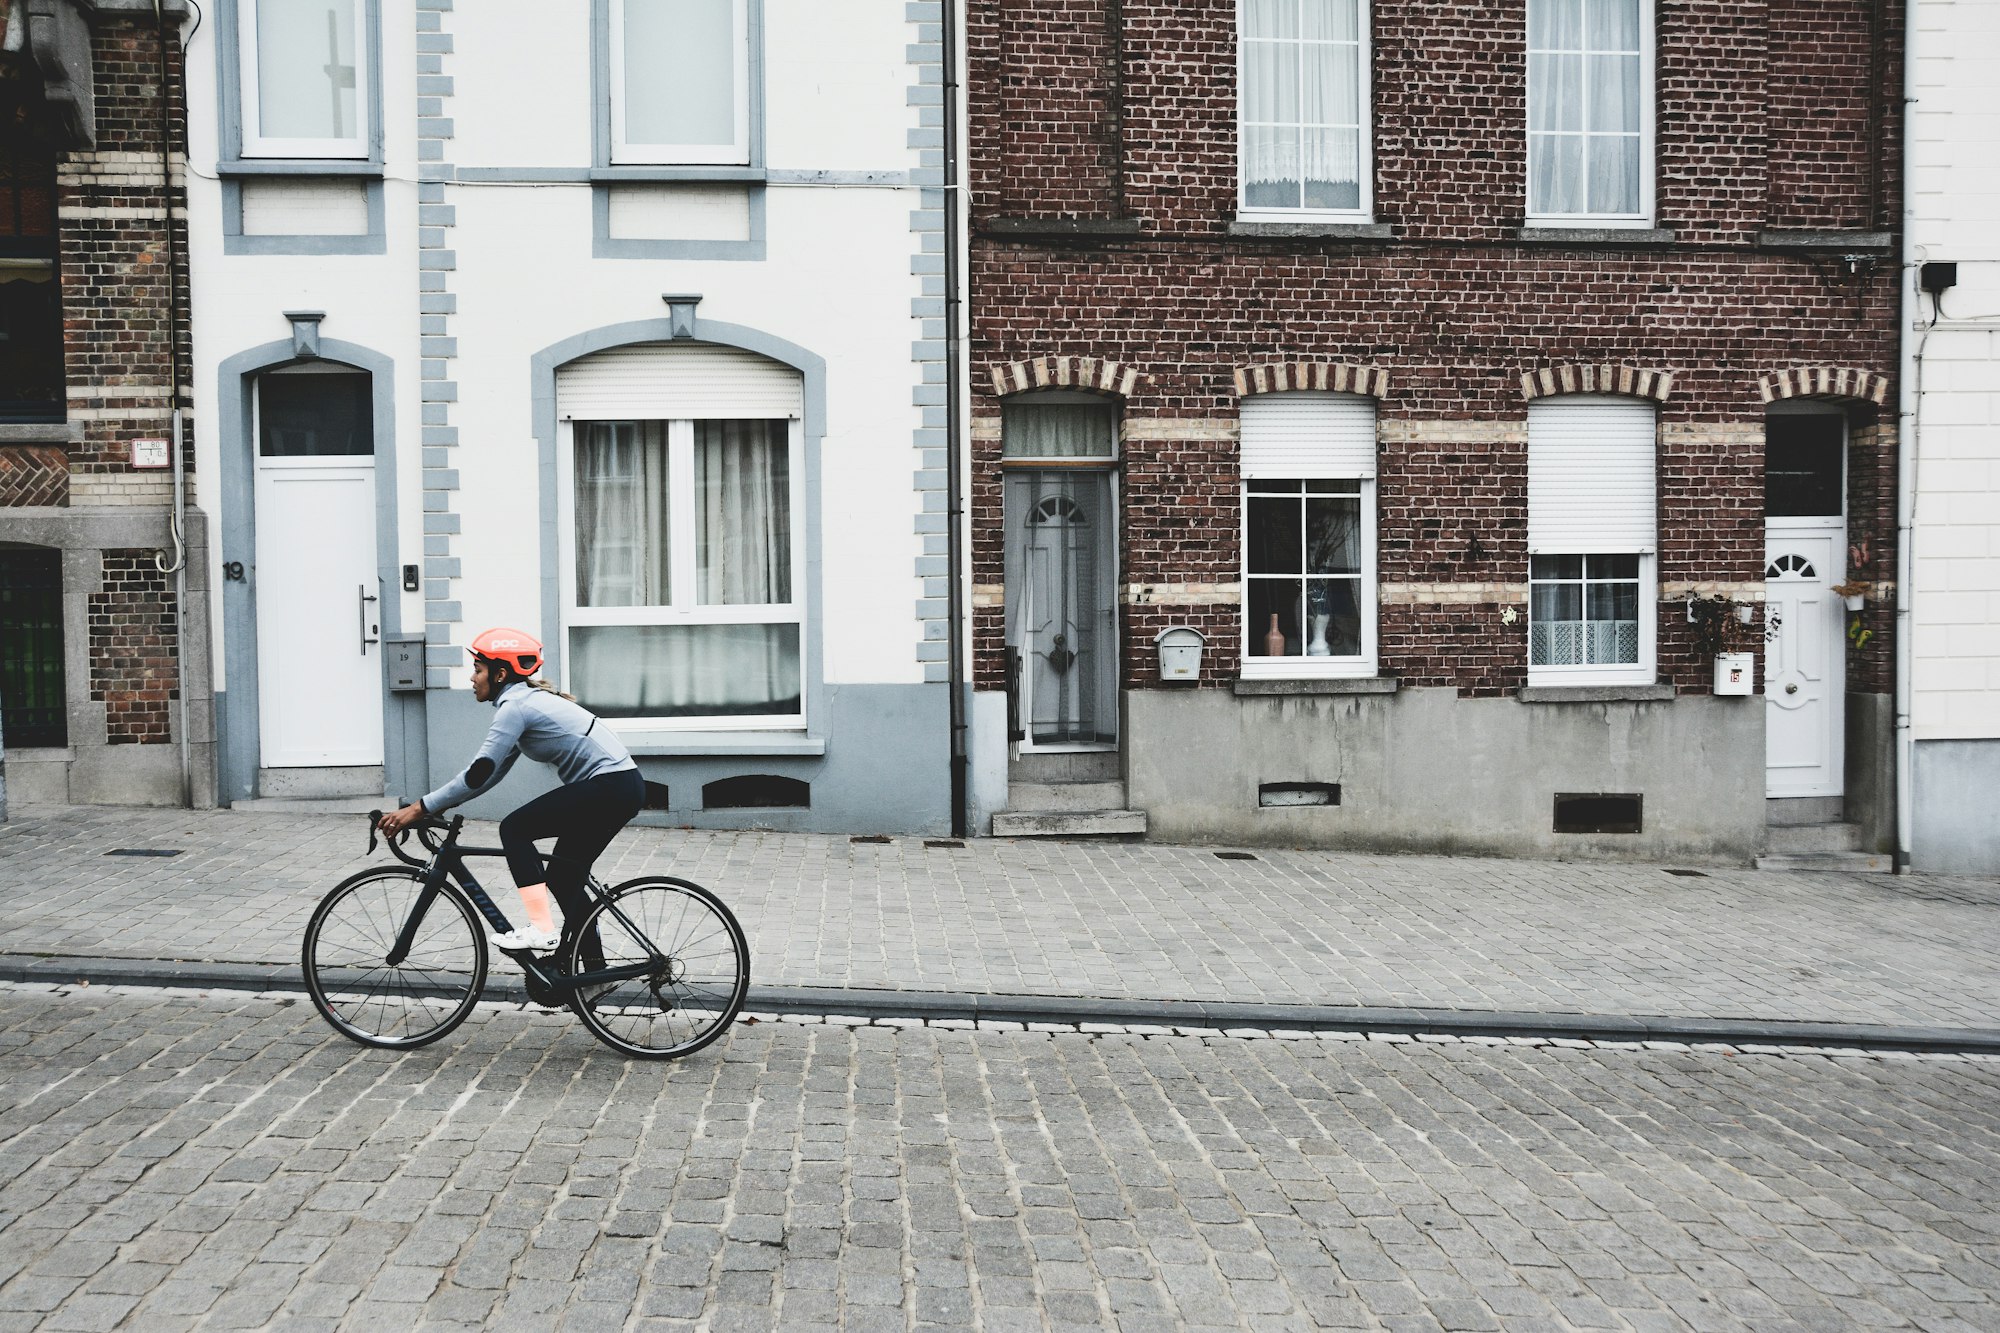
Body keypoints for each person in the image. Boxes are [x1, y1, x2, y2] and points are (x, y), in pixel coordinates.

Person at [377, 627, 644, 954]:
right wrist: (435, 806)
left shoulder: (515, 707)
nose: (472, 678)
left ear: (500, 673)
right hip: (620, 786)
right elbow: (489, 776)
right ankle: (593, 972)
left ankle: (542, 929)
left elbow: (477, 774)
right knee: (563, 878)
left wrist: (419, 808)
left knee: (515, 829)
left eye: (477, 670)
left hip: (609, 787)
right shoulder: (523, 704)